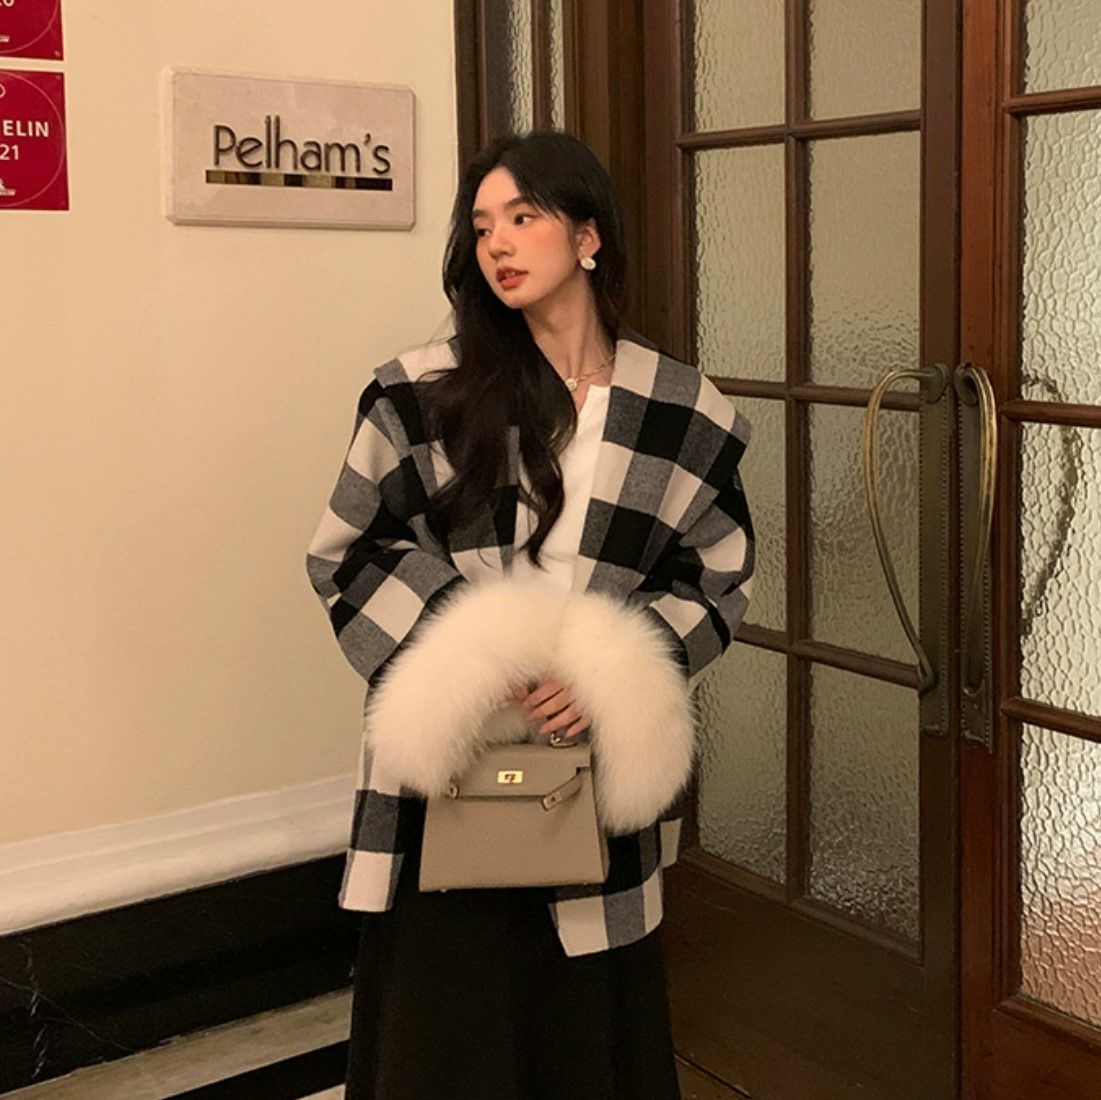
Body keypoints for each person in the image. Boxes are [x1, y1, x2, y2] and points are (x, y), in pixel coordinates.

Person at [305, 127, 755, 1099]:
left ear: (587, 237)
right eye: (481, 226)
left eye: (523, 216)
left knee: (583, 1028)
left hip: (588, 764)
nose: (497, 243)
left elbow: (718, 575)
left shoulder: (680, 409)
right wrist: (478, 653)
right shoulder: (419, 393)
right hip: (456, 760)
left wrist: (609, 671)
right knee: (449, 1032)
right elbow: (348, 551)